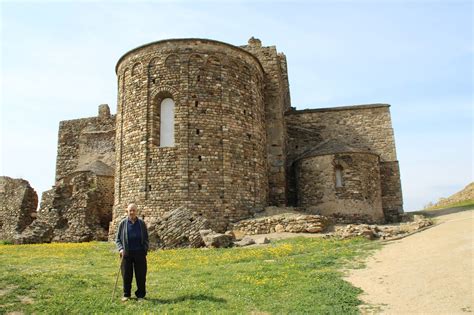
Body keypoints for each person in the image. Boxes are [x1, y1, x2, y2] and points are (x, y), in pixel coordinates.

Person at [115, 203, 149, 301]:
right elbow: (117, 239)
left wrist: (144, 249)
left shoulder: (141, 223)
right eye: (130, 210)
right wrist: (121, 249)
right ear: (127, 211)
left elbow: (146, 238)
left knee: (141, 275)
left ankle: (141, 295)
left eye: (134, 210)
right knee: (126, 275)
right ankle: (126, 294)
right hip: (126, 253)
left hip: (139, 253)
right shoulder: (123, 223)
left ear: (136, 211)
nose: (132, 212)